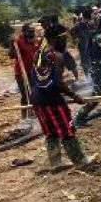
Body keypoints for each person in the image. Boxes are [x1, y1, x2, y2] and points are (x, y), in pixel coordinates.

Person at [30, 24, 89, 169]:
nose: (65, 43)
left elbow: (37, 78)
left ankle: (55, 163)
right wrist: (74, 95)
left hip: (37, 99)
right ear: (53, 39)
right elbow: (57, 83)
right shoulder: (56, 56)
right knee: (67, 129)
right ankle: (80, 161)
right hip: (52, 101)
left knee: (50, 131)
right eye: (63, 39)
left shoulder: (39, 52)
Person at [9, 23, 40, 119]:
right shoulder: (18, 41)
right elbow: (12, 55)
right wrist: (11, 44)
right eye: (29, 32)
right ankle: (24, 115)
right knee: (24, 94)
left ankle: (33, 112)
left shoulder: (35, 40)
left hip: (34, 71)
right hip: (21, 73)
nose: (32, 33)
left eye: (32, 32)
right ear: (24, 32)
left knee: (34, 92)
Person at [68, 8, 94, 77]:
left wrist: (75, 38)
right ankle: (90, 76)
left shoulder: (82, 24)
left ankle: (89, 76)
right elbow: (70, 31)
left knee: (87, 61)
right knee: (87, 61)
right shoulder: (86, 24)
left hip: (85, 44)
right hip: (86, 45)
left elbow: (70, 31)